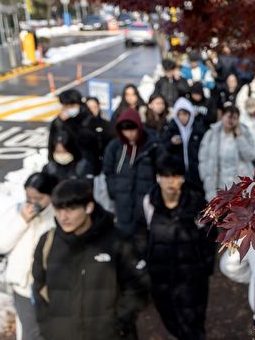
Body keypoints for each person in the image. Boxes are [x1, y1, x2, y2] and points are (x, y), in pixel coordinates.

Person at [31, 179, 148, 340]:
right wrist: (48, 330)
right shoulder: (47, 242)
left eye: (71, 209)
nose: (63, 216)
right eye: (58, 209)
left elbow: (138, 288)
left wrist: (118, 326)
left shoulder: (118, 242)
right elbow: (39, 289)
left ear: (89, 207)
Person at [135, 156, 217, 340]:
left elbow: (210, 234)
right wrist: (146, 257)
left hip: (192, 276)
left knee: (193, 324)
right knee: (170, 320)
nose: (171, 181)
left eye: (176, 176)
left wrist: (205, 265)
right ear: (158, 177)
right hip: (161, 275)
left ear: (182, 178)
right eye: (166, 176)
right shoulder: (149, 203)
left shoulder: (196, 202)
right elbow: (140, 231)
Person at [0, 173, 58, 340]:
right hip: (23, 286)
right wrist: (22, 221)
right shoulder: (17, 211)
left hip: (50, 286)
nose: (33, 202)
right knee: (29, 332)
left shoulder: (59, 215)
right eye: (29, 197)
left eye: (39, 198)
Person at [103, 108, 162, 237]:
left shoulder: (152, 145)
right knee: (124, 239)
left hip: (146, 201)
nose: (129, 133)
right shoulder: (115, 147)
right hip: (123, 201)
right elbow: (108, 171)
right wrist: (114, 191)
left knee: (145, 236)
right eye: (125, 130)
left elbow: (161, 168)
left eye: (132, 129)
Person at [198, 105, 255, 201]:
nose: (231, 121)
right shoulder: (212, 134)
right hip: (219, 185)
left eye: (234, 118)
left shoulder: (244, 133)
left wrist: (239, 137)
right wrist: (205, 177)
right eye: (229, 117)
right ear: (222, 116)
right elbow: (203, 157)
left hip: (240, 186)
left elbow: (250, 156)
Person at [48, 89, 98, 173]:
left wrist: (69, 124)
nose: (67, 109)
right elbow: (51, 143)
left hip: (83, 164)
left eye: (70, 106)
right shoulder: (58, 121)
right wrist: (51, 160)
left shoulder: (88, 118)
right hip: (61, 163)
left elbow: (89, 141)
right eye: (64, 106)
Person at [163, 97, 206, 186]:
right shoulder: (171, 129)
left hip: (196, 173)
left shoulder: (198, 130)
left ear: (190, 114)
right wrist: (172, 143)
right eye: (180, 114)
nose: (182, 117)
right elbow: (164, 148)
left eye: (185, 114)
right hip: (178, 173)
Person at [84, 97, 115, 175]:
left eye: (94, 107)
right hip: (85, 167)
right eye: (89, 107)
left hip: (103, 166)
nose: (91, 110)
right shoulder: (79, 126)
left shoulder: (107, 125)